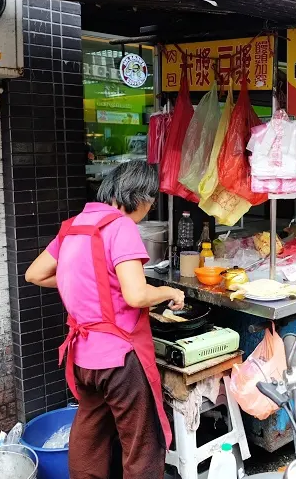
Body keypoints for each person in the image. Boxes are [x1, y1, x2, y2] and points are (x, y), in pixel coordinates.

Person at [25, 160, 185, 479]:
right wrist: (167, 291)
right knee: (142, 442)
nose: (149, 209)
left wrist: (90, 283)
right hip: (118, 359)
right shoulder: (121, 227)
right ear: (139, 197)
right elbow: (136, 296)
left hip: (83, 357)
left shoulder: (74, 226)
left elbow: (34, 274)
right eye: (151, 201)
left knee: (91, 433)